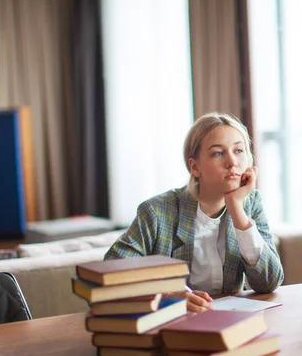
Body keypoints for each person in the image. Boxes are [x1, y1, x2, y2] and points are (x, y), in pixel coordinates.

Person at [105, 112, 284, 312]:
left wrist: (236, 208)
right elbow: (113, 270)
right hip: (171, 322)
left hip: (230, 323)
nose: (232, 162)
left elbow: (269, 282)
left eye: (239, 150)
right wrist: (167, 296)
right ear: (195, 166)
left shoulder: (250, 204)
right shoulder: (157, 211)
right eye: (218, 153)